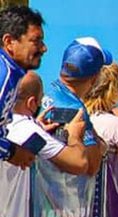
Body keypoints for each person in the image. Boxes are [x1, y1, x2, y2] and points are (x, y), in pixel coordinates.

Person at [41, 37, 110, 175]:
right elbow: (91, 167)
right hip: (58, 192)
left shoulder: (43, 93)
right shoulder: (76, 110)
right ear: (95, 77)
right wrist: (100, 146)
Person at [6, 71, 89, 174]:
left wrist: (37, 125)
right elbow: (79, 164)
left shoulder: (8, 123)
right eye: (39, 102)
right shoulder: (29, 130)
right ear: (31, 103)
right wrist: (74, 136)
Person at [0, 5, 46, 169]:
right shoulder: (3, 74)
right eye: (36, 41)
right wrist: (12, 151)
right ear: (9, 42)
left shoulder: (13, 74)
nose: (44, 48)